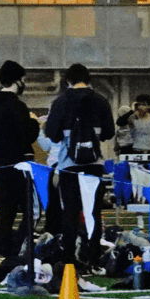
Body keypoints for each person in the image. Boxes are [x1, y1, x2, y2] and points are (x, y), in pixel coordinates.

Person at [44, 63, 115, 272]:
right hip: (93, 165)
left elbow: (53, 134)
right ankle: (93, 257)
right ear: (89, 79)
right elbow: (109, 132)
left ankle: (69, 260)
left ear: (67, 80)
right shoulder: (101, 100)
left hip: (69, 166)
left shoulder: (60, 101)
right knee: (93, 212)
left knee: (70, 214)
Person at [0, 60, 39, 256]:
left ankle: (3, 245)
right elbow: (27, 136)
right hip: (18, 164)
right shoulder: (17, 105)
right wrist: (34, 122)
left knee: (6, 210)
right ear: (18, 80)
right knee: (33, 209)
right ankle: (19, 245)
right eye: (23, 80)